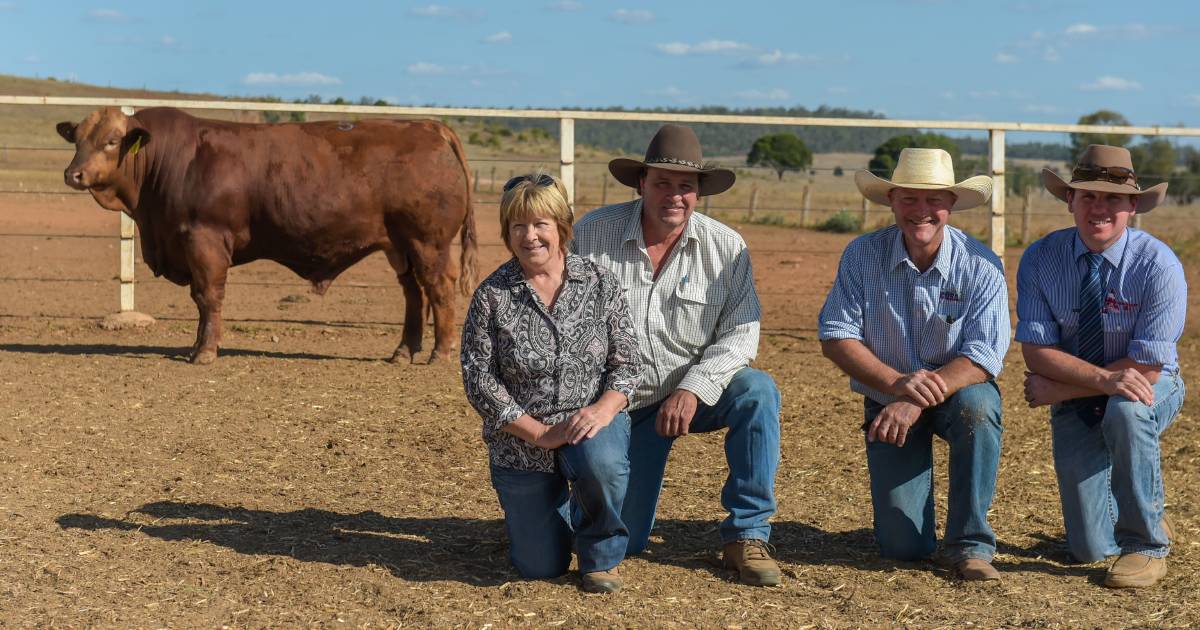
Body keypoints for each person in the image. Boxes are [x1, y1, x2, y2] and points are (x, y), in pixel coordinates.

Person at [572, 124, 783, 586]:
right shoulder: (592, 234)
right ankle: (579, 504)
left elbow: (742, 333)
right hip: (615, 402)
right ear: (640, 184)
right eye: (662, 183)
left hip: (687, 391)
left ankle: (746, 534)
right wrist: (605, 398)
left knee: (758, 391)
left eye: (685, 186)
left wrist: (693, 388)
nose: (674, 195)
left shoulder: (727, 247)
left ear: (699, 193)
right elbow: (566, 319)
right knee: (628, 540)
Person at [818, 148, 1010, 581]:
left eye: (934, 199)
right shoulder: (862, 255)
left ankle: (971, 545)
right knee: (902, 550)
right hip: (888, 397)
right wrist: (897, 384)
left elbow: (985, 354)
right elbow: (835, 334)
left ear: (951, 204)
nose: (922, 211)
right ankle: (921, 536)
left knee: (979, 406)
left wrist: (914, 398)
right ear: (892, 201)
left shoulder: (982, 265)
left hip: (956, 395)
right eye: (909, 198)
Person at [460, 171, 643, 593]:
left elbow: (628, 364)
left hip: (589, 423)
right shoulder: (491, 295)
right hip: (523, 440)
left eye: (540, 223)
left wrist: (602, 410)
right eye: (518, 225)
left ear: (561, 226)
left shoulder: (600, 282)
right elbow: (479, 380)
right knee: (540, 566)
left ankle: (600, 553)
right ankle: (557, 510)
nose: (530, 236)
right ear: (507, 233)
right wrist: (539, 432)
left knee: (602, 463)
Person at [1016, 145, 1186, 588]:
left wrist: (1067, 389)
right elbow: (1036, 353)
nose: (1099, 208)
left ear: (1133, 206)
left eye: (1113, 198)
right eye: (1088, 196)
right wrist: (1101, 381)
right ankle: (1146, 510)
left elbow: (1147, 368)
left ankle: (1146, 546)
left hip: (1150, 384)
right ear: (1069, 200)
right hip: (1087, 385)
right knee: (1088, 549)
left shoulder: (1158, 265)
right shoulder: (1040, 258)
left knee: (1127, 410)